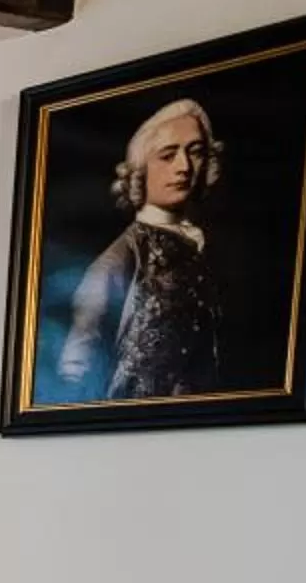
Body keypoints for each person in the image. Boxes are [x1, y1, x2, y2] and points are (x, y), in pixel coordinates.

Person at [57, 97, 226, 400]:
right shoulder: (119, 258)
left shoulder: (203, 246)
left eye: (195, 152)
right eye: (167, 155)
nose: (184, 167)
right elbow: (77, 361)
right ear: (141, 170)